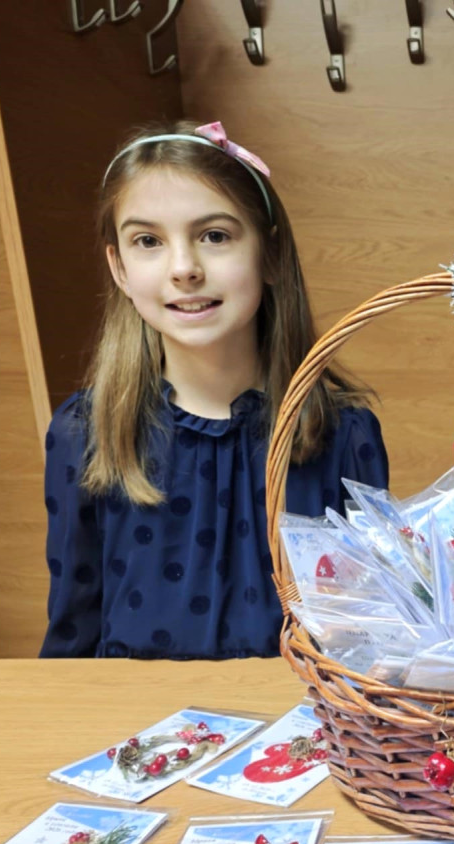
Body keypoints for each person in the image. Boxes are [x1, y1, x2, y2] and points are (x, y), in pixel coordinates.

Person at [40, 120, 386, 659]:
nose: (184, 269)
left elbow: (370, 641)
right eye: (148, 241)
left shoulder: (343, 433)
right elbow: (73, 632)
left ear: (270, 254)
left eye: (215, 236)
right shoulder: (85, 433)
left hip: (291, 714)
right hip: (137, 714)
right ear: (120, 269)